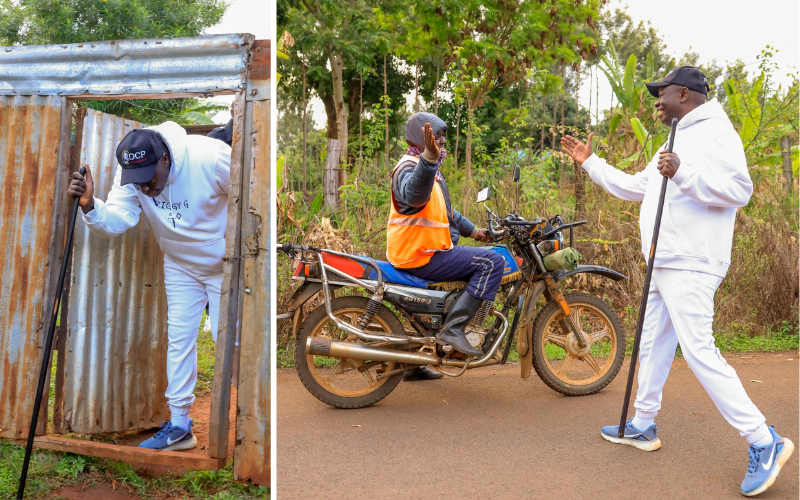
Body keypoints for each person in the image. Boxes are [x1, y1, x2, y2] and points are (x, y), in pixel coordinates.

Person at [561, 66, 794, 497]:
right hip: (665, 260)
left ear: (683, 93)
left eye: (661, 93)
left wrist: (684, 172)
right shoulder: (676, 135)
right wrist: (591, 164)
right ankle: (644, 424)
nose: (656, 100)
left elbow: (740, 190)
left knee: (700, 352)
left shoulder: (716, 132)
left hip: (691, 261)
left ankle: (764, 440)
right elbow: (641, 187)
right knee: (652, 342)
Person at [67, 122, 231, 452]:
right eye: (136, 182)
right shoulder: (133, 171)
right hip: (180, 264)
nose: (143, 188)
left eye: (148, 179)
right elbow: (118, 218)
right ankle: (181, 425)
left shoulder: (211, 158)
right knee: (179, 339)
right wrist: (89, 205)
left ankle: (250, 421)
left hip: (225, 267)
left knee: (229, 341)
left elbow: (256, 198)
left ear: (165, 160)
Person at [386, 112, 504, 381]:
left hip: (427, 250)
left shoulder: (430, 171)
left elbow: (447, 213)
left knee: (479, 263)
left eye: (441, 137)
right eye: (436, 136)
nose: (441, 142)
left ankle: (416, 361)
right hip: (421, 253)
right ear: (422, 138)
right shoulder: (409, 167)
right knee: (492, 262)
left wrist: (474, 231)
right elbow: (414, 197)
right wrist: (428, 159)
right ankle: (454, 329)